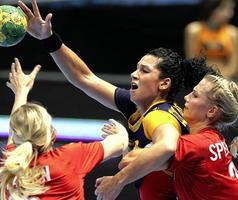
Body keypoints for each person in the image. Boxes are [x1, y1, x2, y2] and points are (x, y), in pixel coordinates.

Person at [18, 0, 217, 199]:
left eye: (144, 71)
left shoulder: (161, 116)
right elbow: (84, 78)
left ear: (164, 84)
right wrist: (48, 39)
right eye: (137, 67)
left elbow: (167, 146)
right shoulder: (139, 107)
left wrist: (117, 181)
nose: (133, 74)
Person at [0, 58, 129, 200]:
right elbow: (121, 142)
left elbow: (17, 129)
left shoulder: (11, 166)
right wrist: (119, 129)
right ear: (52, 134)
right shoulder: (69, 158)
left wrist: (21, 92)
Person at [95, 74, 238, 200]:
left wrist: (122, 138)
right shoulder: (211, 141)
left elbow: (129, 161)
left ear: (211, 111)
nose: (186, 97)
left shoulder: (199, 145)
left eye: (195, 95)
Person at [184, 0, 238, 80]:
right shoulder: (194, 30)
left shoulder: (232, 32)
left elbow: (234, 64)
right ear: (213, 9)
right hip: (200, 78)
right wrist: (205, 80)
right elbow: (191, 60)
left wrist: (221, 80)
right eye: (227, 9)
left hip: (226, 79)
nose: (231, 14)